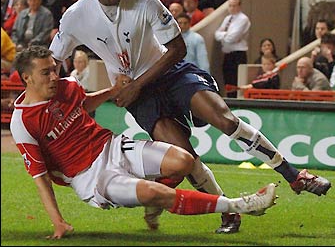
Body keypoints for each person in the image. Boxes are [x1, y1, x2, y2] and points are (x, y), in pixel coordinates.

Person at [49, 0, 331, 235]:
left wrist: (136, 84)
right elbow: (52, 62)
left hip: (168, 72)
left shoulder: (144, 0)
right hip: (139, 96)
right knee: (185, 158)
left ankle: (294, 176)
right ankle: (229, 212)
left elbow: (177, 49)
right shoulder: (75, 17)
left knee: (225, 119)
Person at [10, 45, 277, 239]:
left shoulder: (67, 85)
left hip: (112, 146)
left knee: (183, 161)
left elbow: (83, 103)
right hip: (90, 177)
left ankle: (154, 203)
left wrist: (113, 91)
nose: (54, 77)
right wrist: (58, 222)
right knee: (154, 193)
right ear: (27, 78)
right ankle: (238, 205)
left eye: (54, 70)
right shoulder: (23, 122)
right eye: (46, 73)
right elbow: (40, 178)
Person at [215, 0, 250, 98]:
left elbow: (232, 38)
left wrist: (224, 35)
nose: (232, 8)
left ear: (239, 6)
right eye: (230, 6)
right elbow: (216, 34)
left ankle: (236, 100)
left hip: (238, 54)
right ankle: (230, 99)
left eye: (234, 6)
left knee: (236, 81)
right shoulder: (227, 18)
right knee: (228, 80)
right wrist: (226, 35)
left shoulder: (243, 19)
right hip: (227, 53)